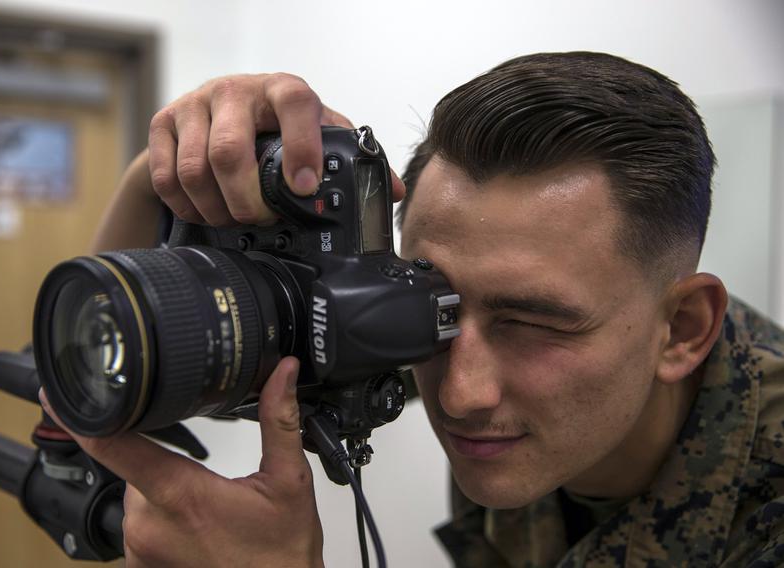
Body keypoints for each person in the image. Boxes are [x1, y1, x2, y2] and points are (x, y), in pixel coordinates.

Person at [39, 52, 784, 567]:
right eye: (436, 304)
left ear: (682, 330)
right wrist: (158, 178)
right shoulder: (533, 427)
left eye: (537, 325)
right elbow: (108, 353)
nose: (459, 395)